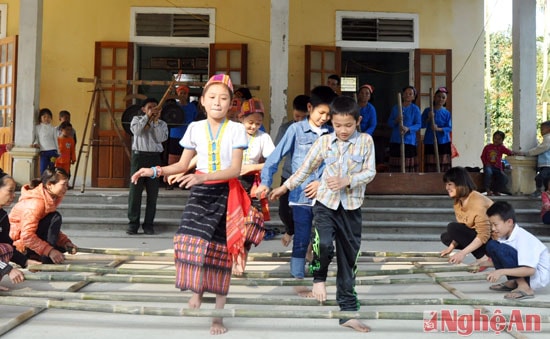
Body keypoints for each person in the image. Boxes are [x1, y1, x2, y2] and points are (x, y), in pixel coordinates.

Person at [131, 74, 248, 335]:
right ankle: (197, 289)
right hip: (200, 193)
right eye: (213, 97)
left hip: (225, 194)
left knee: (220, 254)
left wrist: (202, 176)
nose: (218, 102)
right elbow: (182, 165)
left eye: (224, 98)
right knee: (187, 240)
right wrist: (153, 171)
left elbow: (235, 169)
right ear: (203, 101)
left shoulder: (237, 129)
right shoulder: (195, 128)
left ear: (231, 104)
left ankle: (217, 316)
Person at [269, 96, 376, 333]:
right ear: (332, 122)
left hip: (351, 207)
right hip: (325, 204)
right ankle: (319, 279)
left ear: (358, 121)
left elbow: (370, 172)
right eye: (338, 125)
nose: (343, 130)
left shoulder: (366, 141)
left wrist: (348, 180)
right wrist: (284, 187)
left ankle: (347, 313)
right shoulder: (325, 142)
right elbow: (304, 168)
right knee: (324, 244)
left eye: (348, 125)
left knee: (349, 262)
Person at [255, 86, 337, 297]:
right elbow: (275, 158)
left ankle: (318, 274)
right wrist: (266, 182)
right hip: (300, 194)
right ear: (310, 108)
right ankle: (298, 278)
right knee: (301, 236)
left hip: (325, 195)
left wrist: (323, 183)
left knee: (323, 238)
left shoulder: (333, 132)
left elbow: (338, 164)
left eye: (328, 115)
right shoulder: (295, 130)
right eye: (321, 113)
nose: (324, 118)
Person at [233, 97, 275, 274]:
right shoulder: (232, 133)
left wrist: (252, 167)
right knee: (233, 223)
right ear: (241, 118)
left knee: (251, 223)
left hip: (252, 184)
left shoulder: (263, 137)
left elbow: (272, 161)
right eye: (250, 122)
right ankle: (235, 258)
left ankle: (243, 255)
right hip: (232, 182)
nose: (253, 127)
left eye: (258, 123)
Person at [9, 167, 77, 264]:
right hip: (18, 243)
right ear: (49, 185)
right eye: (64, 185)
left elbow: (49, 227)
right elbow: (27, 236)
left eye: (67, 184)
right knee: (55, 217)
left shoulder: (50, 198)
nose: (66, 188)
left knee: (62, 248)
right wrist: (50, 251)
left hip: (27, 239)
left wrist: (65, 242)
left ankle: (37, 254)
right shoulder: (35, 203)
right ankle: (38, 256)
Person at [485, 201, 550, 300]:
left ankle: (525, 287)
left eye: (495, 224)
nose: (493, 228)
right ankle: (514, 282)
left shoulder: (523, 238)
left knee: (502, 249)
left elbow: (530, 270)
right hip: (526, 271)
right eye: (491, 225)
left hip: (536, 276)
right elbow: (506, 259)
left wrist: (500, 272)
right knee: (492, 245)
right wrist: (482, 264)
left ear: (509, 222)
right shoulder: (505, 236)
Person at [126, 98, 169, 235]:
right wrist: (147, 117)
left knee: (152, 194)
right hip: (139, 157)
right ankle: (133, 224)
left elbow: (161, 138)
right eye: (150, 107)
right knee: (135, 192)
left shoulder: (162, 123)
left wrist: (155, 121)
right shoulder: (136, 119)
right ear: (144, 109)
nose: (153, 109)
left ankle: (149, 224)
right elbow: (137, 132)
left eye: (155, 107)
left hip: (155, 158)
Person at [440, 167, 493, 269]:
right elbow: (463, 228)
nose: (447, 188)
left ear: (460, 184)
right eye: (446, 184)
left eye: (450, 184)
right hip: (479, 235)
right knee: (447, 237)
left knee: (453, 228)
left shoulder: (477, 202)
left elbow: (484, 235)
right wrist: (451, 248)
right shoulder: (458, 201)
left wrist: (462, 253)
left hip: (494, 241)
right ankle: (483, 255)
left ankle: (483, 259)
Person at [274, 94, 309, 246]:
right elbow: (276, 152)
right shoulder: (285, 128)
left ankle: (305, 244)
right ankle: (290, 230)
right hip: (288, 175)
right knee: (283, 210)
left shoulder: (315, 131)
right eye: (297, 116)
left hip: (307, 178)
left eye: (304, 117)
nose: (300, 120)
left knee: (302, 212)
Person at [166, 85, 199, 190]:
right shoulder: (173, 106)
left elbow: (195, 120)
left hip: (188, 136)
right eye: (181, 93)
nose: (182, 95)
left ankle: (185, 183)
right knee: (172, 160)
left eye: (184, 93)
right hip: (174, 135)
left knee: (186, 160)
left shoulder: (192, 107)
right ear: (177, 94)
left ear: (187, 95)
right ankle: (169, 182)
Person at [0, 171, 27, 290]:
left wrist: (25, 261)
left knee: (6, 248)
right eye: (10, 190)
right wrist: (8, 269)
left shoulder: (3, 216)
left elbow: (8, 244)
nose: (13, 195)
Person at [387, 86, 422, 172]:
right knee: (396, 165)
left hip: (409, 141)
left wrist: (408, 128)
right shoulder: (396, 108)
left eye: (410, 94)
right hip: (396, 140)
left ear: (413, 97)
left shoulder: (415, 109)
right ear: (402, 95)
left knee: (408, 166)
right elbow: (390, 123)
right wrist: (396, 120)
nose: (407, 95)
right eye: (406, 93)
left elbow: (418, 124)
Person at [422, 86, 452, 173]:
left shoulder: (447, 113)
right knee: (430, 163)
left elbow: (449, 127)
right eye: (439, 96)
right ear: (434, 97)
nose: (440, 99)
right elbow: (422, 125)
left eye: (443, 97)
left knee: (443, 163)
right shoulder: (427, 110)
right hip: (430, 141)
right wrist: (428, 118)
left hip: (443, 141)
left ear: (446, 100)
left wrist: (438, 129)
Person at [518, 120, 550, 197]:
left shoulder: (548, 138)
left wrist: (527, 153)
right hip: (544, 164)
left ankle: (539, 190)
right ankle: (545, 194)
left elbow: (541, 148)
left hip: (547, 164)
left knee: (539, 178)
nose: (541, 131)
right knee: (546, 181)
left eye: (542, 129)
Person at [480, 130, 514, 196]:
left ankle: (496, 190)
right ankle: (487, 189)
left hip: (497, 167)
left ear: (502, 140)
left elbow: (509, 152)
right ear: (493, 138)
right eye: (495, 138)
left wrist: (515, 153)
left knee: (504, 178)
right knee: (488, 173)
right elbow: (482, 157)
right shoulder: (487, 147)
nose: (496, 140)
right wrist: (486, 163)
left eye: (499, 139)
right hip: (488, 166)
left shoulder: (501, 148)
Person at [32, 108, 59, 174]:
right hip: (43, 152)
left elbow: (56, 140)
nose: (47, 118)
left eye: (49, 117)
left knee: (52, 168)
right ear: (40, 118)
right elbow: (37, 138)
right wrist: (35, 144)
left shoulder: (53, 128)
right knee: (43, 168)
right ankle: (43, 182)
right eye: (44, 117)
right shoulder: (37, 128)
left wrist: (58, 152)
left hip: (53, 152)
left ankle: (51, 182)